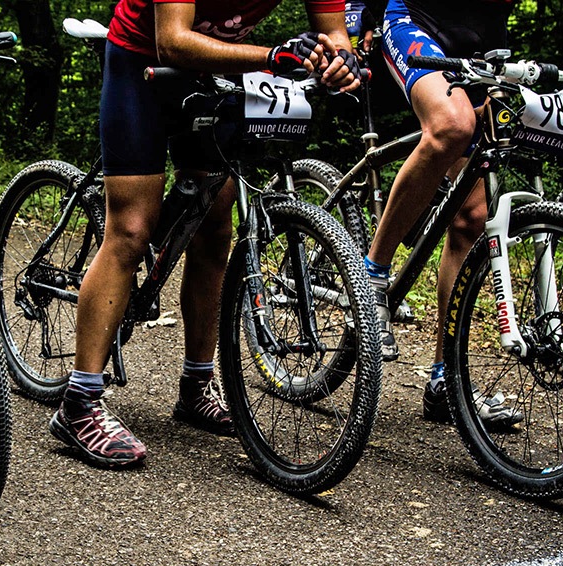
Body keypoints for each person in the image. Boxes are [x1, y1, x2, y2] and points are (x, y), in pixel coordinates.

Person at [48, 0, 362, 470]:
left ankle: (196, 386)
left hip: (215, 69)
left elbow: (335, 35)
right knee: (132, 229)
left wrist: (340, 61)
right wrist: (273, 56)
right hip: (144, 60)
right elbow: (171, 39)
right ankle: (79, 404)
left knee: (216, 219)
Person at [366, 0, 563, 426]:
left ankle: (446, 381)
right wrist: (359, 17)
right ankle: (373, 275)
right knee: (452, 125)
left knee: (473, 218)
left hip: (486, 42)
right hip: (418, 22)